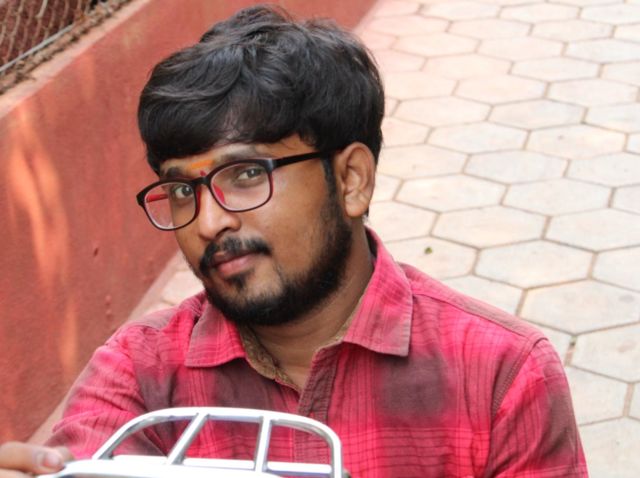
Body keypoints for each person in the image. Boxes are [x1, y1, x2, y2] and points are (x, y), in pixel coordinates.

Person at [0, 5, 587, 477]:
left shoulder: (501, 376)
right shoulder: (140, 374)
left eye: (246, 174)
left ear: (351, 180)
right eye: (182, 189)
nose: (208, 223)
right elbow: (82, 459)